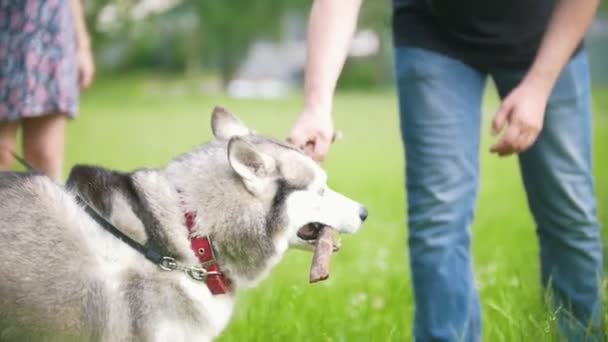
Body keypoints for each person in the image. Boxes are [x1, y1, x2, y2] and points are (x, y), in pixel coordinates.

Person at [288, 0, 603, 340]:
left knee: (569, 210)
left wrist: (540, 86)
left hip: (546, 32)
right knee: (439, 218)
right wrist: (317, 106)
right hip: (435, 33)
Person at [0, 0, 95, 181]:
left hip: (50, 29)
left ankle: (46, 208)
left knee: (45, 155)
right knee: (1, 153)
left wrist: (82, 45)